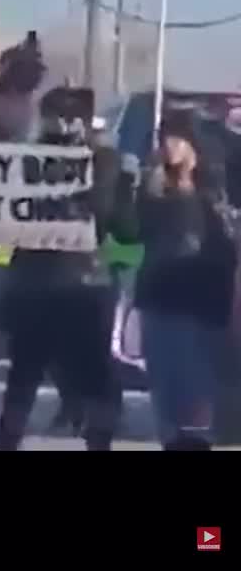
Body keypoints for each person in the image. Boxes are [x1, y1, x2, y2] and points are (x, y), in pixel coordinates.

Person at [0, 86, 135, 451]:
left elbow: (113, 220)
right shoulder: (96, 162)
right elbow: (120, 224)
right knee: (69, 377)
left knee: (35, 378)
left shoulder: (85, 161)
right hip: (66, 285)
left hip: (57, 285)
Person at [134, 107, 238, 450]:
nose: (169, 145)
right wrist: (139, 187)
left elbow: (224, 248)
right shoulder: (151, 189)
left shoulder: (211, 192)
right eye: (164, 137)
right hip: (160, 302)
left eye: (177, 137)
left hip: (201, 308)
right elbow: (131, 231)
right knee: (166, 396)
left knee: (196, 398)